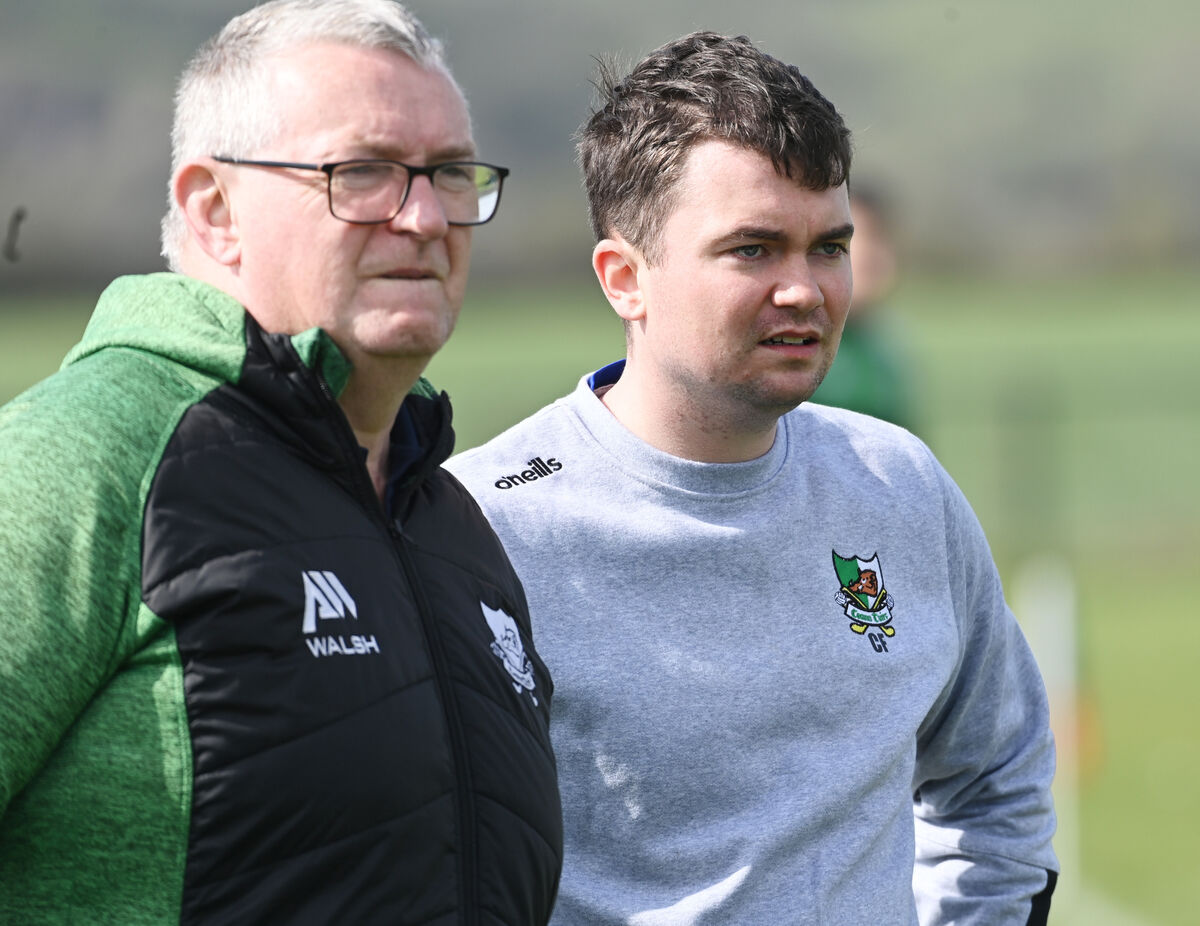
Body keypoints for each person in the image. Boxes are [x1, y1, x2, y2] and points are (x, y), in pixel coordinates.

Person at [446, 31, 1057, 925]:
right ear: (625, 278)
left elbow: (999, 777)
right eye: (753, 249)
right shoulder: (486, 529)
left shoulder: (902, 487)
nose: (805, 289)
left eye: (828, 247)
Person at [0, 1, 561, 922]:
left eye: (449, 174)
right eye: (365, 172)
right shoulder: (79, 463)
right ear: (215, 210)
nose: (424, 218)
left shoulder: (450, 522)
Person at [809, 185, 917, 430]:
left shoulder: (885, 347)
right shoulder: (798, 344)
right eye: (858, 238)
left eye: (880, 237)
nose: (874, 254)